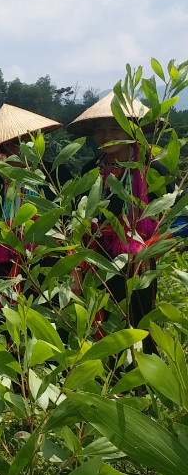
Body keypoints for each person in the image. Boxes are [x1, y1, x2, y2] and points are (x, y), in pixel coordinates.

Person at [69, 91, 164, 337]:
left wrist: (150, 248)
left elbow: (179, 218)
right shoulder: (90, 169)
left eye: (115, 129)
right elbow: (77, 217)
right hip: (96, 257)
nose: (106, 136)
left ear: (133, 129)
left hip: (137, 263)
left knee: (137, 322)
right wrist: (76, 264)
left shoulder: (151, 168)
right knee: (100, 324)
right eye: (100, 130)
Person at [0, 104, 61, 329]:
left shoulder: (55, 174)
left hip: (51, 268)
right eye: (19, 142)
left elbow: (70, 225)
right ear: (8, 146)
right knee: (12, 336)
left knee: (53, 334)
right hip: (5, 270)